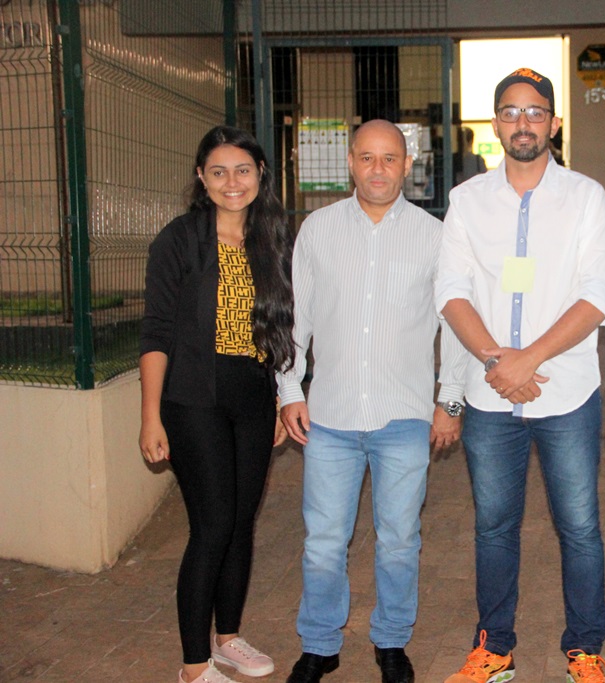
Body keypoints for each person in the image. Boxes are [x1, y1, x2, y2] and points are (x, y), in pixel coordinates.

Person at [437, 67, 605, 683]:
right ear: (496, 124)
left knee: (580, 528)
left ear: (554, 123)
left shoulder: (586, 198)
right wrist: (497, 362)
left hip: (565, 395)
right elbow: (452, 292)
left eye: (535, 112)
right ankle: (495, 649)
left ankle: (585, 649)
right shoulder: (467, 201)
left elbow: (597, 296)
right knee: (493, 528)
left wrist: (528, 358)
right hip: (491, 400)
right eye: (511, 112)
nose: (523, 123)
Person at [277, 119, 467, 683]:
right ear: (350, 163)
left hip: (403, 417)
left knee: (400, 542)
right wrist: (289, 390)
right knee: (323, 543)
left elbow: (456, 326)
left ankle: (391, 641)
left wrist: (450, 402)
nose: (378, 169)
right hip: (330, 417)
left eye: (389, 159)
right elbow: (296, 320)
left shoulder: (435, 237)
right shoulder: (318, 230)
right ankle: (320, 644)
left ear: (408, 165)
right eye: (367, 158)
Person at [140, 125, 295, 683]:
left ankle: (228, 638)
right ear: (201, 178)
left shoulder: (273, 239)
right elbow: (156, 332)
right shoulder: (179, 239)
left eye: (243, 170)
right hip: (191, 398)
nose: (233, 182)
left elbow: (282, 329)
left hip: (251, 394)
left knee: (241, 522)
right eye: (219, 171)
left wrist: (279, 398)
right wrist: (150, 416)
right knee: (212, 525)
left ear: (260, 175)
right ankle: (193, 665)